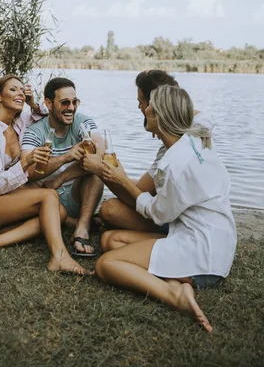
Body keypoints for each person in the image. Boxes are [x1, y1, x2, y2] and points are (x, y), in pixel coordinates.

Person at [94, 84, 237, 332]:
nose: (144, 108)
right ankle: (176, 279)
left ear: (160, 116)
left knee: (105, 265)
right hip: (211, 238)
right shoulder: (193, 139)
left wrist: (121, 180)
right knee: (111, 239)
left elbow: (158, 213)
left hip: (203, 253)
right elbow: (201, 114)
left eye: (149, 105)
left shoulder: (177, 165)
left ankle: (174, 295)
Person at [0, 73, 90, 275]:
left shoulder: (19, 123)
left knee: (59, 212)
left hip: (3, 195)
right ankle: (59, 256)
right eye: (13, 89)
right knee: (49, 197)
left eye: (22, 89)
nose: (19, 92)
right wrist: (26, 162)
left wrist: (31, 103)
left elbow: (47, 113)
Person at [87, 70, 213, 233]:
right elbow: (141, 190)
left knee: (110, 210)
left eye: (141, 102)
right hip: (174, 210)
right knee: (118, 205)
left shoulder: (178, 150)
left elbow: (137, 199)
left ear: (155, 105)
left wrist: (100, 170)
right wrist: (164, 126)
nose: (139, 107)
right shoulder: (199, 124)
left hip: (183, 224)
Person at [21, 77, 104, 257]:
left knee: (96, 172)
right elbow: (27, 173)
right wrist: (65, 157)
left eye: (75, 102)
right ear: (49, 104)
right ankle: (70, 221)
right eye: (65, 102)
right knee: (31, 188)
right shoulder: (35, 131)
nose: (72, 108)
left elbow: (100, 155)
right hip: (49, 199)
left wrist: (61, 178)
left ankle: (81, 228)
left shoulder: (82, 122)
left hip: (75, 192)